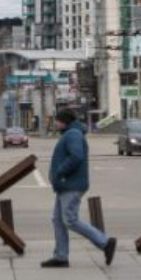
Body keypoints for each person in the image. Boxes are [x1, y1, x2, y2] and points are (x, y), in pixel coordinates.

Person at [42, 109, 115, 269]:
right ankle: (61, 256)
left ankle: (105, 242)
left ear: (64, 122)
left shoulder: (73, 134)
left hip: (71, 184)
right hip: (65, 185)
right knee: (58, 220)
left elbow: (76, 156)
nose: (56, 123)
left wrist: (60, 171)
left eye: (58, 121)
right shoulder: (70, 133)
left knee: (69, 219)